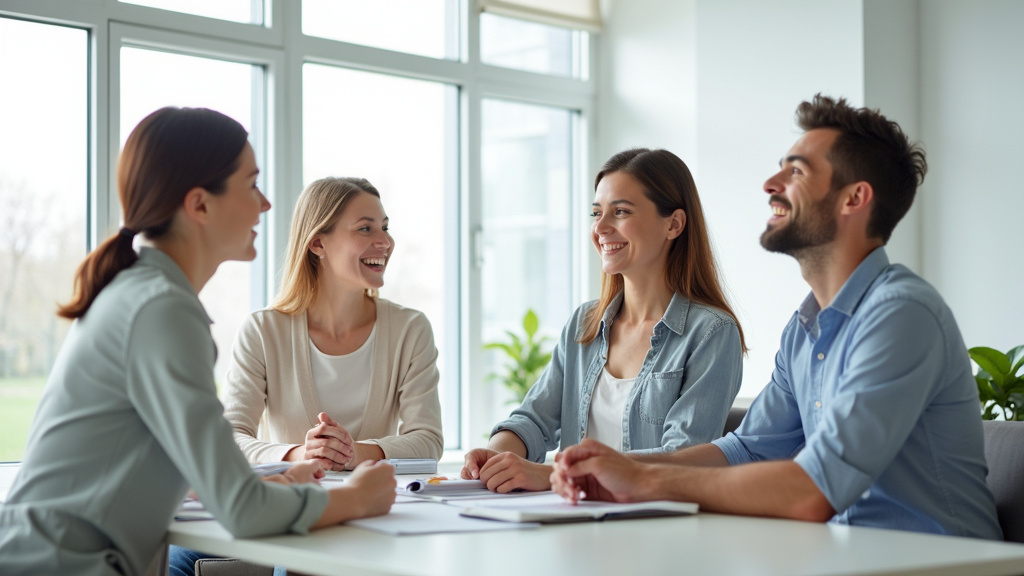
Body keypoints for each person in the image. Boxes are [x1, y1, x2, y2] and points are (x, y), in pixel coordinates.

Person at [551, 95, 1003, 540]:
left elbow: (812, 490)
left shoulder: (902, 315)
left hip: (941, 563)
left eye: (796, 171)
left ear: (854, 199)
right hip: (852, 558)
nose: (770, 183)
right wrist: (615, 467)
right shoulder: (804, 331)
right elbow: (746, 449)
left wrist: (643, 482)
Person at [0, 107, 397, 576]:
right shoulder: (161, 310)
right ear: (200, 205)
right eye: (251, 184)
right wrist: (356, 498)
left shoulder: (142, 295)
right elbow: (240, 509)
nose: (265, 204)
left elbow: (188, 476)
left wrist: (283, 483)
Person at [462, 148, 746, 493]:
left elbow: (682, 456)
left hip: (655, 528)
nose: (600, 228)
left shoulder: (712, 333)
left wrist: (555, 477)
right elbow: (533, 420)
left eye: (621, 212)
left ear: (673, 224)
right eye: (596, 213)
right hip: (573, 522)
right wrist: (493, 457)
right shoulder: (585, 324)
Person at [221, 176, 443, 470]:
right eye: (365, 228)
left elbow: (428, 440)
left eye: (385, 228)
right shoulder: (262, 332)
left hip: (380, 507)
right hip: (292, 505)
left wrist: (353, 452)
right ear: (317, 243)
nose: (386, 241)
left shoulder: (410, 329)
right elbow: (229, 438)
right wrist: (302, 455)